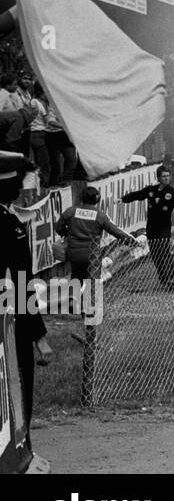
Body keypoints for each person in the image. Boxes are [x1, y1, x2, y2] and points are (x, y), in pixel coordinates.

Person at [0, 151, 53, 453]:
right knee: (17, 383)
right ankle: (18, 451)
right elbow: (22, 284)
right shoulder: (9, 226)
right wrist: (39, 336)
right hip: (9, 324)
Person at [121, 165, 174, 290]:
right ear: (158, 178)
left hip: (164, 228)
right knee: (155, 255)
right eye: (164, 176)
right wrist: (122, 199)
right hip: (151, 228)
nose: (167, 178)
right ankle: (163, 279)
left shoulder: (173, 192)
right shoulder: (151, 190)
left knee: (164, 252)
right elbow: (136, 195)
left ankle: (170, 279)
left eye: (168, 176)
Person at [54, 186, 136, 304]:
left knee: (77, 275)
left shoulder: (71, 211)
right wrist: (132, 242)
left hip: (73, 253)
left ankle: (73, 299)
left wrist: (68, 235)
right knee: (93, 281)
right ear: (97, 200)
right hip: (91, 254)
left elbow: (58, 227)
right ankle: (89, 308)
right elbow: (115, 231)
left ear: (81, 197)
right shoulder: (100, 215)